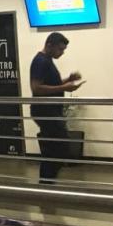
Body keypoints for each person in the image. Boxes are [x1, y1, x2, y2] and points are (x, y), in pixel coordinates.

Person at [30, 32, 84, 184]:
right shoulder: (40, 61)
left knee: (55, 149)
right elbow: (36, 88)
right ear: (49, 45)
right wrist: (64, 87)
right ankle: (46, 183)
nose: (62, 53)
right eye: (60, 49)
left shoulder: (47, 60)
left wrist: (68, 80)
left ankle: (47, 182)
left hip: (50, 110)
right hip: (45, 111)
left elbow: (52, 84)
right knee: (57, 148)